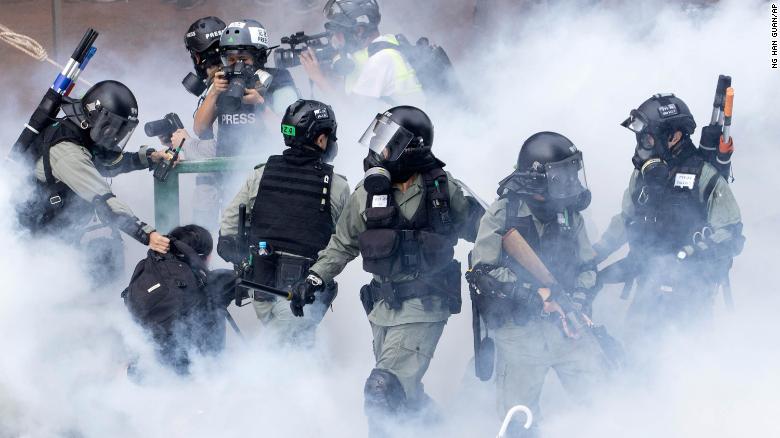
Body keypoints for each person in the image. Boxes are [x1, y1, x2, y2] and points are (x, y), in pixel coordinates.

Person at [289, 106, 483, 436]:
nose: (378, 152)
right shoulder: (368, 193)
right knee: (405, 395)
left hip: (425, 305)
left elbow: (487, 231)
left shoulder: (443, 189)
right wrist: (314, 277)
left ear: (412, 149)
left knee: (382, 390)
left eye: (388, 144)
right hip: (382, 310)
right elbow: (342, 244)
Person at [468, 132, 608, 437]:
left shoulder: (570, 214)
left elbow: (587, 267)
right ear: (538, 179)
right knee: (519, 423)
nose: (571, 181)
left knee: (604, 399)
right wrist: (535, 295)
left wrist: (580, 301)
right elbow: (482, 272)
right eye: (563, 174)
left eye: (572, 171)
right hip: (518, 331)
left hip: (565, 325)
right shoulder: (503, 213)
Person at [593, 93, 744, 344]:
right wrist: (593, 256)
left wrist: (688, 255)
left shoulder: (705, 176)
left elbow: (731, 234)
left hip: (691, 294)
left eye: (649, 137)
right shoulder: (642, 174)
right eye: (642, 137)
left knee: (687, 358)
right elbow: (625, 222)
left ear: (674, 136)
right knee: (636, 351)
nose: (644, 143)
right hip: (647, 286)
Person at [217, 99, 349, 346]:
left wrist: (241, 256)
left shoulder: (261, 173)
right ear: (321, 139)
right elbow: (345, 242)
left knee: (288, 351)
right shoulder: (337, 186)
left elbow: (229, 224)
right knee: (285, 359)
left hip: (260, 287)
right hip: (302, 294)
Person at [14, 80, 172, 279]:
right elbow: (103, 199)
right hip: (33, 241)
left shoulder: (79, 132)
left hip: (54, 230)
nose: (116, 135)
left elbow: (107, 164)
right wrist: (147, 234)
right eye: (114, 128)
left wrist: (148, 158)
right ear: (96, 117)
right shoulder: (67, 151)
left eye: (122, 129)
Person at [123, 224, 237, 374]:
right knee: (214, 302)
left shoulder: (149, 271)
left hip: (142, 372)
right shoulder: (212, 282)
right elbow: (255, 282)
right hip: (192, 377)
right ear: (203, 257)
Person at [193, 19, 300, 159]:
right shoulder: (221, 81)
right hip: (226, 174)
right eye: (231, 60)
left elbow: (292, 133)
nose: (237, 65)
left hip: (266, 170)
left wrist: (260, 105)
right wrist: (214, 92)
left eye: (243, 59)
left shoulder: (278, 81)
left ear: (259, 57)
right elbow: (199, 129)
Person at [300, 0, 425, 108]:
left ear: (359, 31)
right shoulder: (387, 43)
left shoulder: (381, 59)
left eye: (339, 32)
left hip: (410, 130)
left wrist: (317, 76)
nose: (336, 38)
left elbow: (351, 112)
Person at [174, 16, 227, 231]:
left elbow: (217, 152)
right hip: (215, 195)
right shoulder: (220, 86)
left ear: (199, 57)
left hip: (224, 199)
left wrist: (185, 143)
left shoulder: (225, 91)